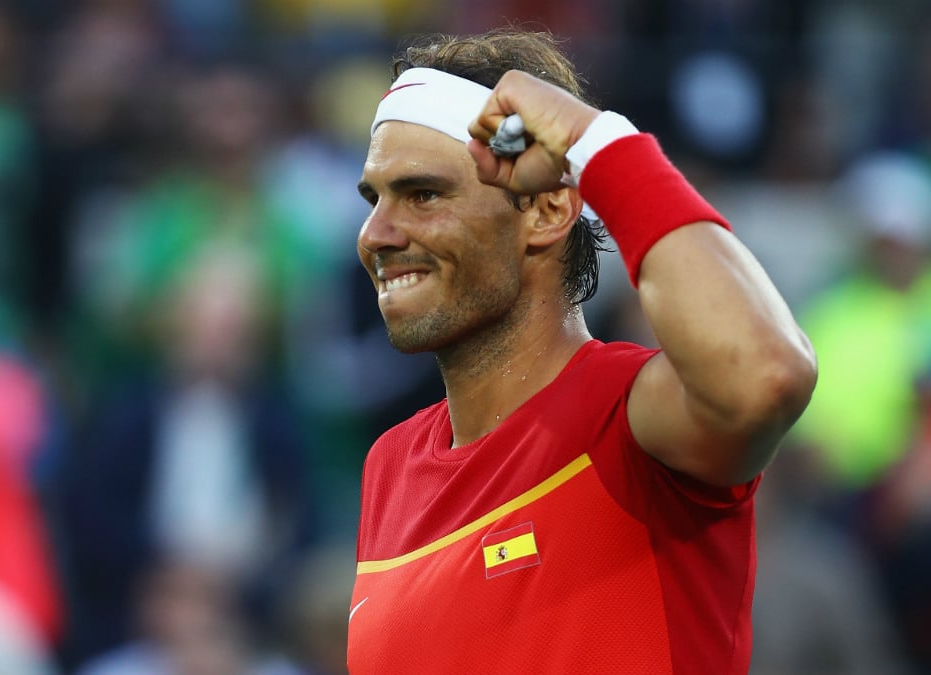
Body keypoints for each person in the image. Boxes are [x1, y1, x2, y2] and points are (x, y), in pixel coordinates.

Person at [347, 29, 817, 674]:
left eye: (423, 194)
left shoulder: (629, 416)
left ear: (545, 211)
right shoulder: (389, 464)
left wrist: (598, 142)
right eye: (375, 199)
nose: (375, 235)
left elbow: (766, 375)